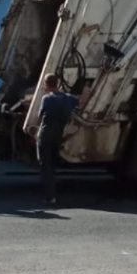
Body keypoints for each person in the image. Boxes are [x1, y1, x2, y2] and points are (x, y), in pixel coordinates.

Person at [36, 74, 88, 205]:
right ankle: (53, 193)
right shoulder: (68, 98)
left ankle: (50, 197)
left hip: (45, 135)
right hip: (58, 136)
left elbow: (40, 115)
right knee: (52, 165)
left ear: (46, 85)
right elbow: (81, 101)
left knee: (45, 166)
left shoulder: (46, 98)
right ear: (58, 83)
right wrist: (87, 89)